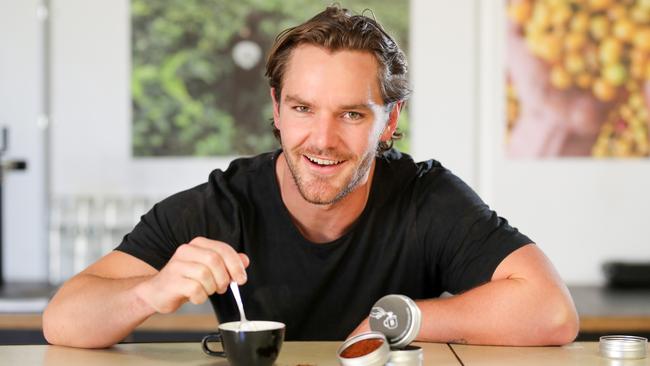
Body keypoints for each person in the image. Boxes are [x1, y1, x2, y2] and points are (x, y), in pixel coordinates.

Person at [43, 5, 579, 348]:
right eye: (303, 109)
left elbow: (551, 310)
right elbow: (62, 320)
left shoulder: (426, 197)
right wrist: (150, 292)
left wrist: (401, 319)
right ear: (276, 109)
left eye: (351, 114)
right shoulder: (222, 204)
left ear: (389, 122)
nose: (322, 139)